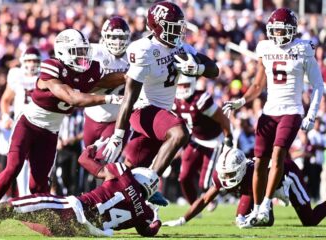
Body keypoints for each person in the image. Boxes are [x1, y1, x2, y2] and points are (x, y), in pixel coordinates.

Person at [0, 29, 125, 206]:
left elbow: (106, 81)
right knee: (13, 168)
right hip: (28, 125)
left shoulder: (88, 71)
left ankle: (43, 221)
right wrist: (111, 98)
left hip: (50, 132)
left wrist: (131, 76)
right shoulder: (52, 67)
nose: (83, 56)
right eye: (77, 51)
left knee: (38, 186)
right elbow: (72, 98)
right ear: (63, 51)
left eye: (84, 51)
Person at [222, 8, 324, 225]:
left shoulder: (303, 48)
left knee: (278, 155)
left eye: (281, 30)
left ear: (292, 30)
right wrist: (241, 101)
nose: (277, 35)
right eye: (274, 30)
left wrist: (311, 114)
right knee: (259, 162)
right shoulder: (265, 47)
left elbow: (317, 85)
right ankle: (258, 209)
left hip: (292, 110)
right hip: (269, 111)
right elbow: (258, 84)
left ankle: (267, 205)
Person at [0, 143, 161, 237]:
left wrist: (92, 149)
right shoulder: (144, 213)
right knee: (15, 213)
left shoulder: (123, 175)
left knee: (12, 206)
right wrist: (155, 220)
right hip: (79, 232)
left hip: (73, 209)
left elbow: (84, 160)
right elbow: (148, 231)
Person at [102, 1, 219, 175]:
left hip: (162, 114)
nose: (178, 32)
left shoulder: (181, 47)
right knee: (180, 134)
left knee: (132, 168)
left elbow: (214, 69)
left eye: (179, 27)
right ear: (157, 26)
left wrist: (199, 68)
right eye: (172, 27)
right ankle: (152, 181)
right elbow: (129, 96)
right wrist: (118, 135)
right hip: (142, 109)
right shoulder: (145, 50)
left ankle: (124, 195)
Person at [162, 148, 326, 228]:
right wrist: (181, 220)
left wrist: (242, 215)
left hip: (286, 175)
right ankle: (272, 195)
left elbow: (251, 192)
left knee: (309, 221)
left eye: (229, 174)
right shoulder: (223, 175)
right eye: (224, 174)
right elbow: (204, 199)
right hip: (260, 188)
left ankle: (279, 191)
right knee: (254, 220)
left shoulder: (250, 174)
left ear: (240, 169)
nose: (225, 178)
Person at [172, 75, 233, 205]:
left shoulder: (200, 99)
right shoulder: (175, 101)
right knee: (183, 176)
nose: (182, 89)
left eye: (185, 85)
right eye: (180, 85)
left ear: (193, 84)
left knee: (205, 183)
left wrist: (228, 138)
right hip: (195, 139)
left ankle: (214, 196)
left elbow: (223, 119)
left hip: (214, 141)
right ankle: (193, 205)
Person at [0, 46, 42, 198]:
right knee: (19, 163)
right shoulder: (16, 75)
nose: (31, 64)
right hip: (21, 125)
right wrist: (5, 116)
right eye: (29, 60)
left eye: (35, 60)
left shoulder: (45, 76)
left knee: (38, 163)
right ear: (23, 61)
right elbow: (5, 99)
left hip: (40, 125)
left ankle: (35, 196)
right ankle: (23, 196)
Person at [83, 16, 131, 147]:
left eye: (121, 37)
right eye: (113, 37)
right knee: (86, 158)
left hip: (116, 119)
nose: (117, 42)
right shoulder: (95, 53)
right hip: (92, 115)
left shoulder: (133, 54)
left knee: (104, 160)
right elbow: (83, 85)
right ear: (104, 36)